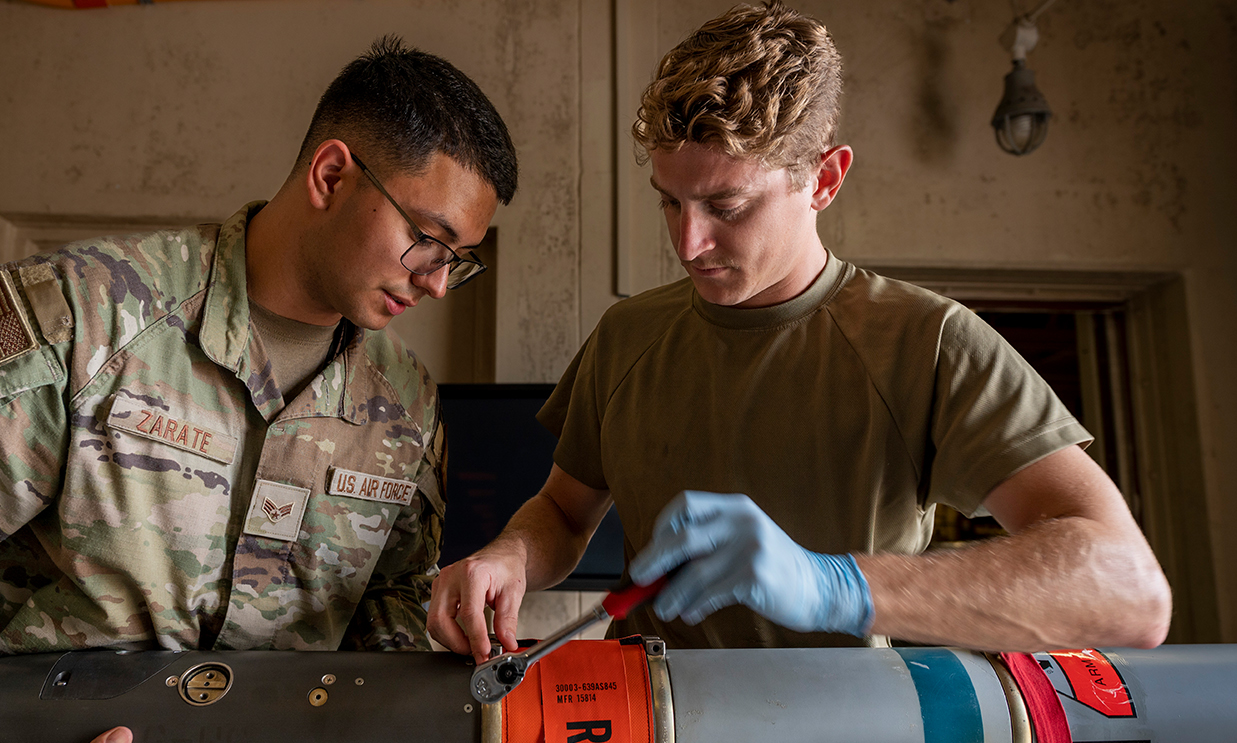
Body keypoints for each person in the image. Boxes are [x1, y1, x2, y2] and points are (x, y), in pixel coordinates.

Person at [0, 37, 517, 743]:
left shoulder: (406, 407)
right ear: (331, 175)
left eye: (462, 259)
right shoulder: (85, 321)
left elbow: (389, 607)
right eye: (427, 241)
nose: (441, 284)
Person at [428, 1, 1170, 664]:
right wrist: (510, 556)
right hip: (647, 738)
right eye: (670, 203)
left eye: (727, 205)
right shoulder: (628, 336)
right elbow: (563, 512)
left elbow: (1130, 592)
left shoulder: (929, 342)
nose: (688, 245)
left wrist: (831, 585)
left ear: (823, 179)